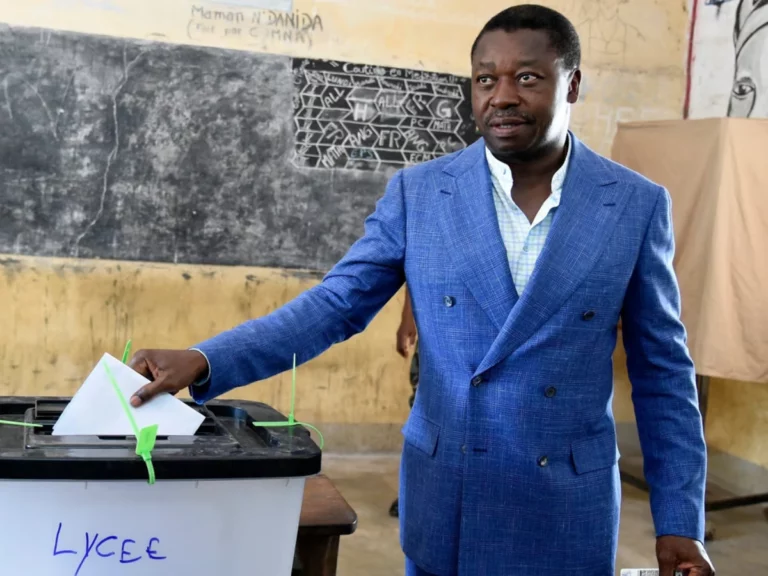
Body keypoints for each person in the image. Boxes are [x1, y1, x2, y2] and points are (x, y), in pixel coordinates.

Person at [127, 5, 714, 575]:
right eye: (485, 79)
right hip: (450, 490)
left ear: (573, 85)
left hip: (565, 503)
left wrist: (679, 521)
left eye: (528, 77)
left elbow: (663, 373)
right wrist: (206, 358)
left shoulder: (633, 205)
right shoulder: (421, 193)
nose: (501, 96)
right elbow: (335, 305)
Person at [390, 289, 419, 518]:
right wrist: (408, 317)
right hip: (440, 321)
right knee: (422, 408)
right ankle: (414, 490)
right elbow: (421, 255)